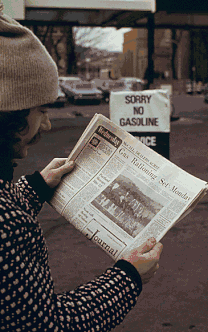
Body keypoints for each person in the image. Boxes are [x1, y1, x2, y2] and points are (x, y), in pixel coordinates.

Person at [0, 4, 163, 331]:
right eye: (40, 109)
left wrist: (34, 188)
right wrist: (128, 276)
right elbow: (49, 325)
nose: (46, 124)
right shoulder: (11, 227)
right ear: (9, 113)